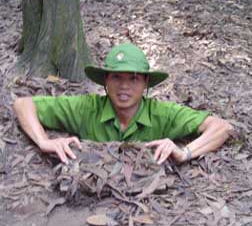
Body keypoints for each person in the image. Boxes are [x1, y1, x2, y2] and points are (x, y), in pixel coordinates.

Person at [14, 43, 233, 165]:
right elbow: (23, 104)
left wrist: (184, 152)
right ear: (106, 81)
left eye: (134, 78)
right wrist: (44, 141)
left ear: (146, 82)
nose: (124, 87)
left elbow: (222, 127)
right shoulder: (85, 108)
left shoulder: (162, 114)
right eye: (116, 78)